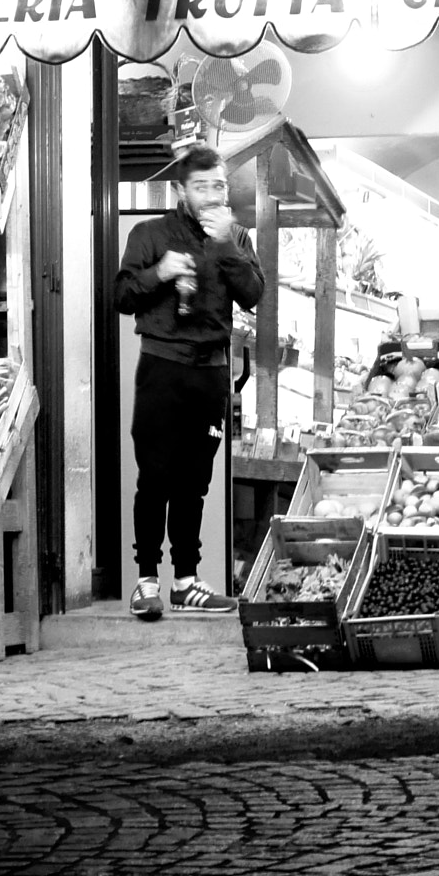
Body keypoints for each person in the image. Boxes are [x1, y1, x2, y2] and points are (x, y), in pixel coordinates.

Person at [113, 144, 265, 619]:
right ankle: (144, 582)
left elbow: (254, 294)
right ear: (182, 190)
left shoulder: (235, 236)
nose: (212, 194)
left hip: (212, 373)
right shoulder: (150, 233)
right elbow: (121, 295)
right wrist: (159, 271)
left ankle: (186, 582)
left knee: (194, 482)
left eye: (218, 185)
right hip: (162, 368)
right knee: (155, 476)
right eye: (201, 187)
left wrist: (225, 246)